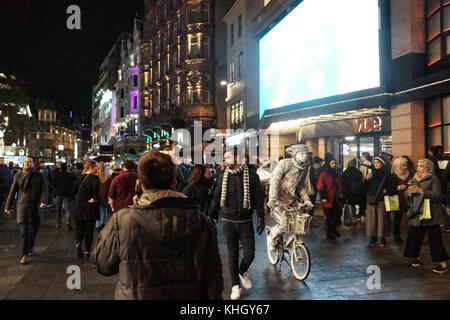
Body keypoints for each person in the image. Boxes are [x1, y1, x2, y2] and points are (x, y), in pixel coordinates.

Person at [92, 152, 223, 300]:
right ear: (174, 184)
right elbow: (213, 278)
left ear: (139, 185)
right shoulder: (202, 221)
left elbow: (103, 265)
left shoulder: (122, 220)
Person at [208, 148, 265, 300]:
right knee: (232, 255)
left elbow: (259, 198)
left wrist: (261, 217)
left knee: (250, 254)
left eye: (227, 158)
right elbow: (216, 197)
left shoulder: (252, 176)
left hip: (245, 221)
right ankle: (235, 286)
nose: (225, 161)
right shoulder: (222, 176)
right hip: (228, 221)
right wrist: (211, 216)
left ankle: (242, 271)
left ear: (237, 158)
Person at [404, 159, 449, 273]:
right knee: (415, 236)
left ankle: (442, 263)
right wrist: (409, 192)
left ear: (427, 168)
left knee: (434, 238)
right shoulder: (414, 178)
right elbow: (407, 192)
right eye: (418, 166)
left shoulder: (433, 179)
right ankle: (415, 257)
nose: (418, 168)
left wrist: (422, 192)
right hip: (417, 211)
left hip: (430, 213)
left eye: (421, 166)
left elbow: (438, 195)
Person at [267, 144, 314, 248]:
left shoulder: (305, 166)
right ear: (295, 154)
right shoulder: (285, 163)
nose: (305, 156)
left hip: (292, 200)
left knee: (299, 223)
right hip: (278, 200)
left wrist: (306, 199)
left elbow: (301, 185)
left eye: (306, 154)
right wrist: (272, 199)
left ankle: (292, 243)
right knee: (284, 224)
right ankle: (271, 236)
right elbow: (275, 180)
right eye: (302, 154)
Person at [4, 156, 47, 264]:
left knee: (33, 230)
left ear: (33, 163)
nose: (27, 163)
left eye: (29, 162)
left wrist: (43, 201)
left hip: (35, 206)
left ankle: (30, 248)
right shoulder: (18, 175)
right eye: (25, 162)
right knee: (24, 231)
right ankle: (24, 254)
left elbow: (44, 189)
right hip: (22, 207)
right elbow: (12, 191)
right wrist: (7, 206)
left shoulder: (39, 176)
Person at [364, 156, 397, 247]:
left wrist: (387, 190)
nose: (376, 165)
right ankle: (373, 237)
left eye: (378, 163)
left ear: (382, 164)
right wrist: (367, 179)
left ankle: (383, 238)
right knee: (372, 219)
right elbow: (364, 188)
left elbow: (393, 186)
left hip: (382, 200)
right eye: (374, 163)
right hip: (372, 200)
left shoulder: (387, 174)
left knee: (383, 220)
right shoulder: (371, 173)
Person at [73, 160, 100, 259]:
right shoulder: (95, 179)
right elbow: (96, 193)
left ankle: (78, 244)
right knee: (89, 229)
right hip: (90, 208)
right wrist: (95, 198)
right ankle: (88, 250)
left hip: (79, 207)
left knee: (79, 228)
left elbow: (74, 191)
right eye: (96, 166)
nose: (97, 168)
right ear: (91, 167)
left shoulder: (79, 178)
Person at [317, 153, 344, 239]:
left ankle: (333, 229)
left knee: (337, 215)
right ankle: (329, 233)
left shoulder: (336, 173)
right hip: (328, 199)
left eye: (335, 163)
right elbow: (320, 186)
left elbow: (340, 184)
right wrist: (323, 197)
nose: (334, 165)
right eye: (332, 163)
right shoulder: (324, 174)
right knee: (329, 217)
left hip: (337, 199)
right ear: (328, 163)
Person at [390, 157, 414, 243]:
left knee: (411, 217)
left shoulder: (410, 174)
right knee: (397, 218)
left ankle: (411, 236)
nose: (405, 167)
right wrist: (398, 187)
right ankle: (396, 235)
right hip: (397, 199)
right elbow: (389, 188)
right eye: (403, 165)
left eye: (406, 165)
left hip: (408, 199)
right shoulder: (393, 175)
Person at [53, 162, 76, 230]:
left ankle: (58, 223)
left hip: (58, 193)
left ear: (61, 167)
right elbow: (73, 184)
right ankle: (68, 222)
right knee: (68, 209)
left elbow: (53, 184)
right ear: (66, 167)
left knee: (58, 209)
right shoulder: (70, 175)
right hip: (67, 193)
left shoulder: (56, 175)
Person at [342, 158, 364, 222]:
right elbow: (361, 182)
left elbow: (343, 182)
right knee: (359, 203)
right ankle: (358, 216)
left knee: (352, 204)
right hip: (358, 191)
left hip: (349, 192)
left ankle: (353, 216)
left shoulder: (345, 172)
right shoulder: (358, 172)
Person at [96, 162, 111, 231]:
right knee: (105, 210)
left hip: (98, 196)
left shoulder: (96, 175)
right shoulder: (108, 176)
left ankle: (98, 225)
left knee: (99, 211)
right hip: (106, 196)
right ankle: (103, 223)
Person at [358, 152, 372, 219]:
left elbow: (361, 177)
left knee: (363, 199)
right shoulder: (371, 164)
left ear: (364, 157)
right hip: (370, 185)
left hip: (364, 185)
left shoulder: (362, 166)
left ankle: (362, 212)